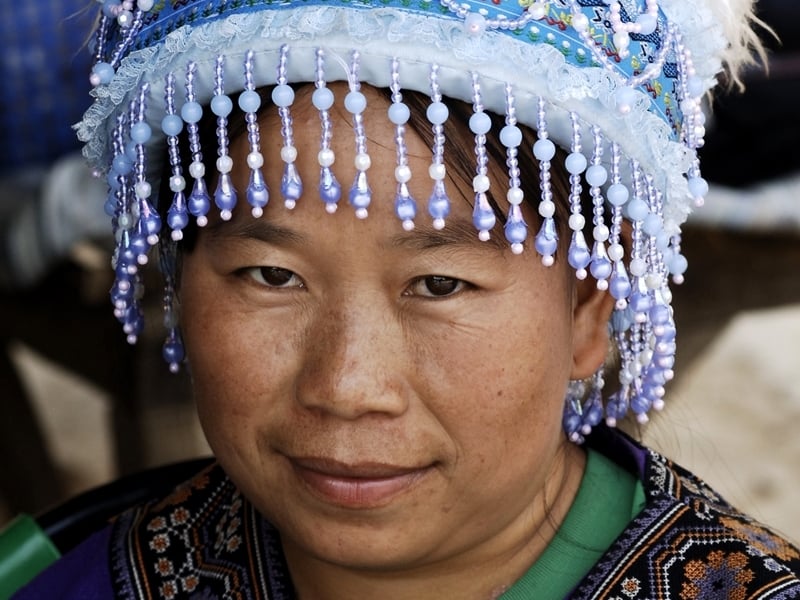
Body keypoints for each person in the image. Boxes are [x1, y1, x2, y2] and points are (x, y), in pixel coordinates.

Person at [11, 0, 800, 597]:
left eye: (440, 284)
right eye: (271, 276)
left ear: (589, 309)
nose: (347, 388)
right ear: (180, 286)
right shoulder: (95, 575)